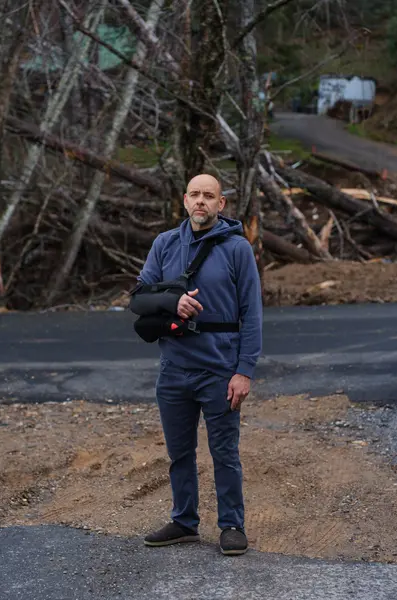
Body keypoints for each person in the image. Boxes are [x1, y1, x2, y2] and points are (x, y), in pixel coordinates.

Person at [133, 173, 263, 556]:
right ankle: (184, 521)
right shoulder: (165, 244)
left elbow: (252, 314)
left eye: (209, 196)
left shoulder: (238, 248)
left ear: (221, 204)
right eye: (195, 195)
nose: (201, 201)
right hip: (174, 367)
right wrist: (172, 303)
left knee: (224, 452)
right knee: (180, 452)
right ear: (184, 201)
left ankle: (232, 525)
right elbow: (139, 298)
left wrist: (245, 371)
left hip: (220, 368)